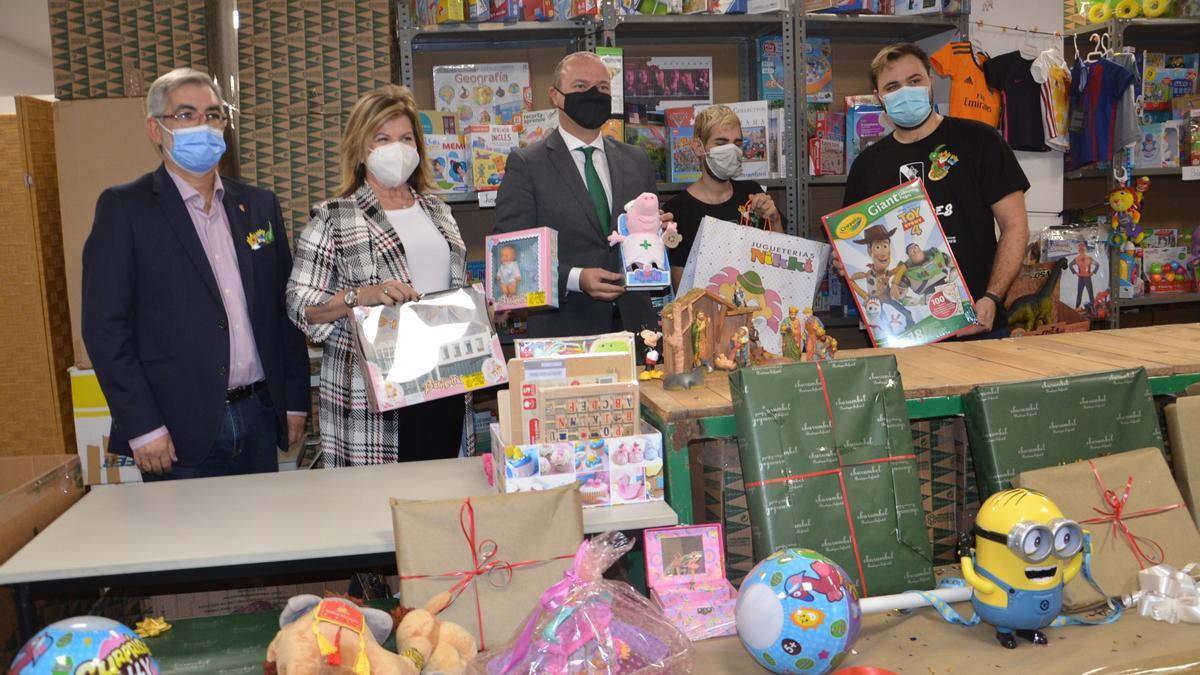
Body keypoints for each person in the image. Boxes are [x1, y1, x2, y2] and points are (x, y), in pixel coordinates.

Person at [81, 68, 310, 480]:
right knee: (188, 543)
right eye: (185, 115)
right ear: (156, 129)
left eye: (213, 115)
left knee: (266, 541)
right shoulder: (125, 209)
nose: (203, 126)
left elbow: (284, 310)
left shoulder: (258, 206)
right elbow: (105, 328)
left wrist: (293, 400)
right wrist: (143, 426)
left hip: (259, 413)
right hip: (174, 430)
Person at [286, 85, 471, 467]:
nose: (396, 148)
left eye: (405, 138)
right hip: (375, 396)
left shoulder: (438, 212)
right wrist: (362, 295)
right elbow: (301, 306)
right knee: (381, 510)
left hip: (447, 381)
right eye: (382, 139)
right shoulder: (334, 218)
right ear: (360, 148)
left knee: (444, 498)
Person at [840, 42, 1030, 339]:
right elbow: (853, 244)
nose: (905, 91)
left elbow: (1015, 226)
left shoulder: (981, 141)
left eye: (914, 81)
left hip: (978, 322)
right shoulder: (867, 165)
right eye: (892, 86)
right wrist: (846, 262)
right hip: (904, 331)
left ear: (930, 79)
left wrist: (992, 297)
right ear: (879, 98)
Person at [495, 51, 671, 339]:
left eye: (602, 88)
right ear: (555, 95)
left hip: (637, 329)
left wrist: (662, 234)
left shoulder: (636, 160)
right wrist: (575, 278)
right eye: (580, 86)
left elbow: (645, 239)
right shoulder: (527, 164)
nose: (593, 94)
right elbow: (510, 257)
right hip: (565, 332)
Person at [664, 104, 784, 288]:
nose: (731, 150)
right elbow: (682, 288)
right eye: (721, 143)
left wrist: (774, 220)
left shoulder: (752, 194)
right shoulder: (677, 211)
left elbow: (781, 262)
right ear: (698, 147)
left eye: (737, 143)